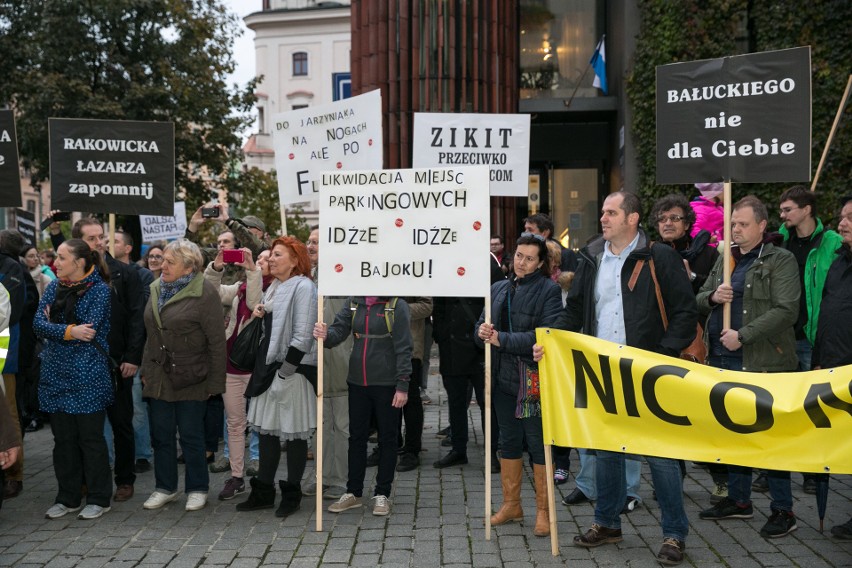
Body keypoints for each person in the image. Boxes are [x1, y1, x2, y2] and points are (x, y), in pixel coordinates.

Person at [535, 191, 696, 565]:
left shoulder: (660, 256)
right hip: (602, 371)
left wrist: (662, 357)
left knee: (661, 457)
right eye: (603, 211)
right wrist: (549, 340)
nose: (603, 218)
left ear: (633, 218)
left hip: (650, 374)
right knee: (606, 450)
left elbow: (685, 312)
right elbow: (573, 312)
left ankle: (674, 533)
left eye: (612, 212)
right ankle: (607, 523)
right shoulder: (592, 258)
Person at [697, 196, 800, 539]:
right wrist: (714, 298)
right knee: (732, 432)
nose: (735, 229)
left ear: (761, 225)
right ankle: (740, 501)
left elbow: (787, 310)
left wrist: (743, 335)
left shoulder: (780, 259)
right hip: (722, 359)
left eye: (742, 224)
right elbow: (699, 296)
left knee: (769, 437)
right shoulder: (725, 259)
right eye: (732, 224)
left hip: (762, 361)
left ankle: (783, 510)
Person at [51, 218, 145, 503]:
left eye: (102, 237)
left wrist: (132, 357)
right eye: (93, 239)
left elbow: (136, 318)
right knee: (82, 428)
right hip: (78, 366)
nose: (100, 243)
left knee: (121, 423)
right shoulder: (65, 282)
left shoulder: (124, 274)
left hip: (116, 363)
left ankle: (125, 479)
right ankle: (83, 480)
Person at [476, 232, 563, 537]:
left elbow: (547, 335)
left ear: (541, 263)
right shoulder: (499, 287)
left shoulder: (549, 291)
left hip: (532, 379)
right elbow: (481, 326)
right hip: (500, 378)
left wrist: (501, 338)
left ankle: (544, 511)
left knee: (537, 443)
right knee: (508, 442)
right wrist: (483, 331)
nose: (521, 263)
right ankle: (512, 504)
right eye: (518, 256)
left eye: (529, 258)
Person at [140, 239, 226, 512]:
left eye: (169, 262)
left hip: (192, 374)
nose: (161, 265)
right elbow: (151, 335)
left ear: (189, 267)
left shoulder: (205, 293)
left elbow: (216, 342)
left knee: (191, 435)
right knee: (161, 435)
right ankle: (165, 487)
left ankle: (198, 488)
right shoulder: (155, 288)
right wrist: (146, 370)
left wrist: (215, 383)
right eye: (162, 260)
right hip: (159, 374)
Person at [237, 237, 318, 518]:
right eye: (270, 255)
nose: (271, 259)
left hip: (291, 372)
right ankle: (263, 491)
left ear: (295, 260)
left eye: (277, 255)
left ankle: (292, 493)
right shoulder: (276, 286)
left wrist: (285, 373)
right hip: (268, 369)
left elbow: (303, 334)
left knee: (294, 435)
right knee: (268, 431)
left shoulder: (305, 287)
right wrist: (262, 310)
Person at [34, 238, 114, 520]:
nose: (55, 263)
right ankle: (67, 497)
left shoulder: (100, 291)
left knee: (91, 440)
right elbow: (37, 324)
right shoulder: (55, 286)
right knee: (63, 440)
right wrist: (69, 331)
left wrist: (56, 329)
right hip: (55, 375)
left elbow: (88, 331)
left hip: (88, 376)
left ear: (79, 263)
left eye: (61, 257)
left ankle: (99, 497)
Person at [314, 296, 412, 518]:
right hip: (357, 381)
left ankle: (382, 493)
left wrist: (402, 385)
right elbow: (338, 332)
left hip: (387, 384)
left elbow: (404, 347)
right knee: (356, 437)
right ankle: (353, 492)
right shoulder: (353, 302)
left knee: (388, 438)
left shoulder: (397, 305)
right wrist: (325, 334)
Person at [777, 185, 842, 494]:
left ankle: (813, 471)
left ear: (806, 210)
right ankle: (778, 467)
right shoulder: (780, 239)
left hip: (811, 337)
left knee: (813, 407)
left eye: (788, 209)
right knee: (781, 406)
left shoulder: (831, 243)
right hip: (782, 337)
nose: (783, 215)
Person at [205, 247, 268, 500]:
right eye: (258, 258)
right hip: (232, 366)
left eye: (267, 258)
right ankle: (237, 476)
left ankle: (264, 474)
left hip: (260, 369)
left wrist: (253, 268)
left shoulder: (277, 289)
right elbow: (211, 294)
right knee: (234, 424)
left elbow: (256, 302)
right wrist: (216, 268)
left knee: (263, 424)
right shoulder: (240, 287)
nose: (262, 262)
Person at [812, 195, 852, 540]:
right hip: (835, 367)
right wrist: (819, 360)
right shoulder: (840, 261)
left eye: (851, 217)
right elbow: (827, 313)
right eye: (842, 216)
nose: (842, 223)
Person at [304, 227, 350, 499]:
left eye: (316, 242)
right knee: (319, 423)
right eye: (309, 241)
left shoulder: (343, 276)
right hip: (314, 361)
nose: (310, 246)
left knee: (341, 425)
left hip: (341, 359)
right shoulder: (306, 277)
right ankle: (320, 476)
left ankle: (340, 479)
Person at [431, 293, 500, 473]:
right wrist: (441, 333)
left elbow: (497, 297)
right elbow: (438, 305)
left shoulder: (487, 266)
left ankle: (491, 452)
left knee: (487, 403)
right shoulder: (444, 270)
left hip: (480, 345)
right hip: (452, 348)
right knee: (456, 403)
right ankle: (458, 450)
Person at [111, 230, 155, 475]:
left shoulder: (142, 275)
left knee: (135, 407)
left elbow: (140, 315)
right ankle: (110, 455)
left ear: (127, 248)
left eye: (115, 240)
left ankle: (141, 454)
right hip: (109, 354)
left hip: (132, 351)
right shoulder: (101, 273)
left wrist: (134, 355)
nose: (109, 243)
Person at [396, 296, 432, 472]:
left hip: (410, 347)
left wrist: (396, 310)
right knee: (384, 400)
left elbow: (427, 306)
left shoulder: (417, 271)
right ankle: (389, 444)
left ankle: (411, 450)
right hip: (380, 347)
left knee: (410, 401)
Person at [690, 182, 724, 246]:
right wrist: (708, 239)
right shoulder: (702, 210)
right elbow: (693, 229)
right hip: (710, 250)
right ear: (716, 193)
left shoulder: (718, 207)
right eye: (724, 190)